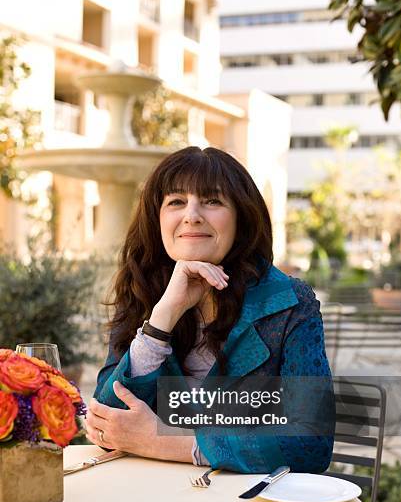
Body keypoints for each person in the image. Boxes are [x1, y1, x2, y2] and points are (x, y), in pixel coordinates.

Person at [86, 146, 335, 473]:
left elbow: (311, 444)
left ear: (241, 219)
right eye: (176, 202)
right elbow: (107, 425)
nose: (192, 215)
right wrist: (163, 318)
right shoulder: (143, 291)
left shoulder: (289, 302)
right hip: (153, 499)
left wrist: (165, 441)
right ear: (157, 219)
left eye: (212, 201)